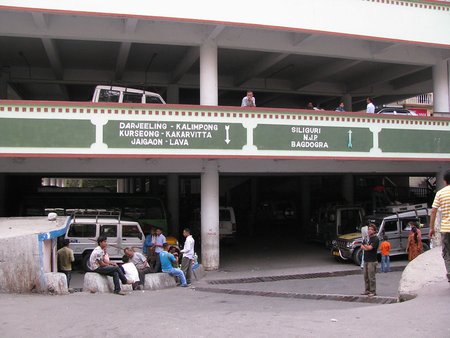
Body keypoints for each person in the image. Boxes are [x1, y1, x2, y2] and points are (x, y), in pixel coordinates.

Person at [429, 170, 450, 283]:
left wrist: (431, 228)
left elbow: (433, 211)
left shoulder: (440, 193)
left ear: (445, 181)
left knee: (447, 252)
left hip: (446, 229)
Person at [361, 223, 379, 297]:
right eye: (369, 229)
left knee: (371, 276)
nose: (369, 231)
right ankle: (367, 290)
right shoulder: (367, 238)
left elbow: (370, 248)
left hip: (372, 260)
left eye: (371, 229)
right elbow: (362, 246)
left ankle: (373, 291)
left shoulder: (375, 239)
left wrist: (366, 247)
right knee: (366, 276)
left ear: (374, 231)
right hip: (366, 259)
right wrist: (366, 247)